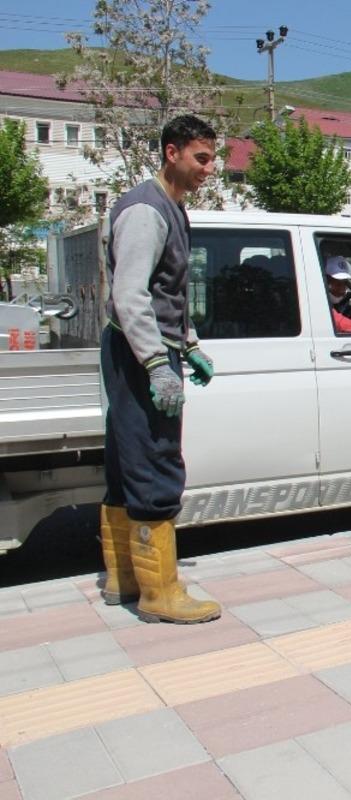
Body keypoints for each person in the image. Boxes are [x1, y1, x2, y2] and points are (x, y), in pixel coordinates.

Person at [99, 114, 221, 623]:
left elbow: (166, 291)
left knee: (128, 461)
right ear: (171, 153)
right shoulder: (146, 212)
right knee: (155, 460)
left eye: (213, 159)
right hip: (137, 349)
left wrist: (187, 344)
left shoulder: (173, 209)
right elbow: (129, 296)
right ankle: (159, 593)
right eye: (201, 158)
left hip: (150, 346)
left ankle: (123, 578)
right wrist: (156, 363)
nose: (209, 170)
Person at [324, 255, 351, 333]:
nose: (342, 290)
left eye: (345, 283)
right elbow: (341, 323)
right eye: (337, 284)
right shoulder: (320, 305)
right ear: (324, 280)